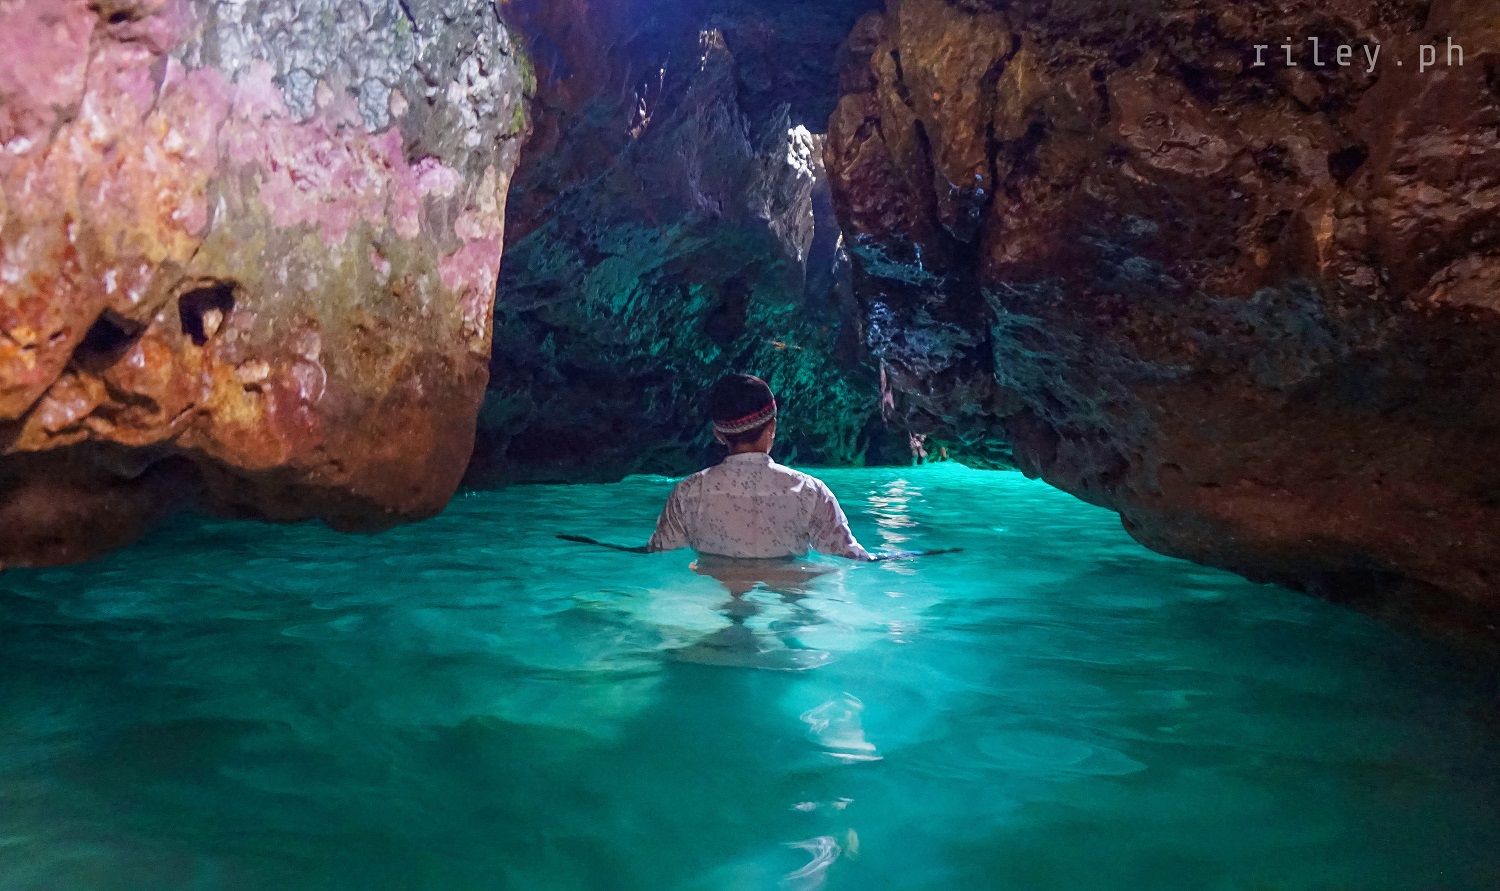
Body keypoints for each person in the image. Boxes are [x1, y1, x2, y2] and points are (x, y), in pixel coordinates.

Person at [646, 374, 874, 562]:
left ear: (718, 434)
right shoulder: (809, 491)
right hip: (787, 601)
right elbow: (848, 555)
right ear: (772, 426)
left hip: (715, 596)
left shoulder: (688, 492)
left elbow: (661, 551)